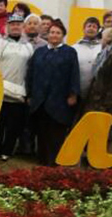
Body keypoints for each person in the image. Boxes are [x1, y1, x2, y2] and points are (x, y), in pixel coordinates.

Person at [26, 18, 80, 167]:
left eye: (58, 33)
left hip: (60, 100)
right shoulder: (40, 52)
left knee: (56, 132)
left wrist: (73, 94)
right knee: (41, 131)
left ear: (63, 35)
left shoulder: (70, 52)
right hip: (40, 98)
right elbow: (31, 73)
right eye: (52, 32)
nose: (54, 35)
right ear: (48, 34)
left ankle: (55, 161)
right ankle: (42, 160)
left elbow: (74, 74)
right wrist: (29, 94)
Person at [0, 11, 33, 161]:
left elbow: (30, 70)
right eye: (12, 24)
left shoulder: (28, 47)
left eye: (18, 24)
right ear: (8, 26)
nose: (15, 27)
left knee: (14, 125)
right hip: (0, 90)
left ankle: (7, 151)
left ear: (23, 27)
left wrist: (28, 91)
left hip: (19, 92)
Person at [82, 26, 112, 144]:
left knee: (106, 135)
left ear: (108, 38)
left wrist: (106, 104)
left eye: (102, 37)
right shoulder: (103, 54)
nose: (100, 40)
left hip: (106, 103)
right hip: (95, 100)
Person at [72, 16, 103, 95]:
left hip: (96, 92)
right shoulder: (74, 48)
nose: (91, 29)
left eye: (94, 27)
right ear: (84, 29)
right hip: (77, 91)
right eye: (89, 26)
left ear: (98, 31)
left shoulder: (102, 48)